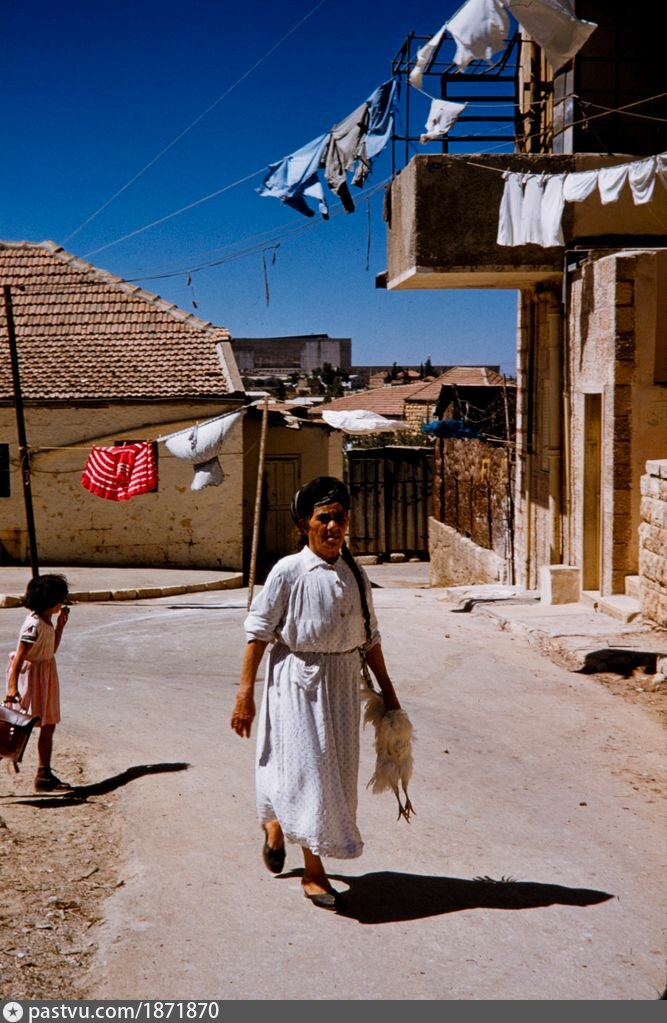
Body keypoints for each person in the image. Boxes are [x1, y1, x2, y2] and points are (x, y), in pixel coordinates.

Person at [230, 476, 401, 910]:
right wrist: (245, 695)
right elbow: (258, 632)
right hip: (298, 685)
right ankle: (313, 872)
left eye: (339, 518)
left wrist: (389, 694)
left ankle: (275, 823)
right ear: (304, 523)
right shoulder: (288, 572)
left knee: (334, 776)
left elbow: (370, 638)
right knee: (311, 773)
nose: (332, 527)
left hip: (342, 687)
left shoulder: (355, 574)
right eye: (323, 518)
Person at [3, 573, 72, 792]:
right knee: (18, 725)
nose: (63, 603)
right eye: (61, 599)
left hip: (46, 673)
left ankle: (44, 775)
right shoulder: (32, 625)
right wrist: (12, 687)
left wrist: (60, 626)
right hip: (30, 675)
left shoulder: (47, 620)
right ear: (51, 601)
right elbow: (20, 657)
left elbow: (51, 650)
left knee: (48, 723)